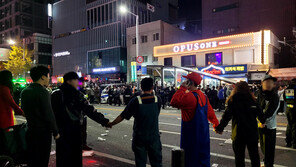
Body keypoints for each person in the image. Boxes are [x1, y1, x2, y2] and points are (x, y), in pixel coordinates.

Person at [51, 72, 110, 167]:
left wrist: (54, 130)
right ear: (69, 81)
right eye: (76, 80)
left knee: (62, 156)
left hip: (60, 130)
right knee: (74, 157)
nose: (78, 82)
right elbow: (89, 110)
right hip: (74, 129)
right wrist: (104, 121)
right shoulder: (76, 94)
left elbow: (51, 113)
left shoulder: (55, 93)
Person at [108, 78, 162, 167]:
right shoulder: (158, 100)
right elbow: (156, 114)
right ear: (153, 87)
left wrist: (111, 123)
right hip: (154, 137)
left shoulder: (136, 101)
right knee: (156, 163)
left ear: (141, 87)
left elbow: (123, 116)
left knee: (140, 162)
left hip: (140, 137)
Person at [170, 72, 219, 167]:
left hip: (190, 136)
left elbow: (174, 102)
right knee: (203, 160)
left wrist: (182, 88)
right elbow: (210, 113)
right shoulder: (203, 96)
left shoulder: (189, 96)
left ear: (190, 83)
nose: (184, 82)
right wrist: (216, 125)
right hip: (203, 136)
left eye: (186, 81)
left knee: (190, 160)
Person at [215, 81, 265, 167]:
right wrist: (263, 121)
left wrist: (220, 128)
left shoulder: (233, 100)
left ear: (236, 89)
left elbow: (226, 116)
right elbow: (261, 115)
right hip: (252, 133)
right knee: (254, 156)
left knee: (239, 158)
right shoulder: (253, 100)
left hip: (238, 133)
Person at [21, 66, 59, 167]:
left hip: (30, 131)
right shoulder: (43, 92)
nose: (49, 79)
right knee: (42, 160)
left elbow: (24, 111)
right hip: (42, 134)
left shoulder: (24, 92)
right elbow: (49, 114)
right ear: (42, 77)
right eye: (48, 76)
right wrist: (55, 132)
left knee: (32, 160)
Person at [257, 75, 280, 167]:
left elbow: (270, 112)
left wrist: (262, 120)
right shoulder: (260, 95)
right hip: (260, 124)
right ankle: (266, 162)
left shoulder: (274, 96)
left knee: (269, 148)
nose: (269, 84)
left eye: (271, 82)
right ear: (262, 84)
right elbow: (257, 108)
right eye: (267, 82)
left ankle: (269, 164)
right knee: (263, 146)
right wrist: (259, 120)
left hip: (269, 126)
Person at [78, 77, 92, 151]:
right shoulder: (77, 91)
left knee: (84, 130)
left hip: (84, 114)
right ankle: (79, 145)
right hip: (78, 115)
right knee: (79, 131)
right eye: (82, 82)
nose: (84, 83)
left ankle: (84, 144)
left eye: (84, 82)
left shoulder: (84, 91)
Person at [284, 78, 296, 149]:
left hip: (288, 108)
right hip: (295, 109)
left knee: (289, 125)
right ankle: (294, 143)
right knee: (295, 126)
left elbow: (285, 99)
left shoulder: (287, 89)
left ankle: (288, 142)